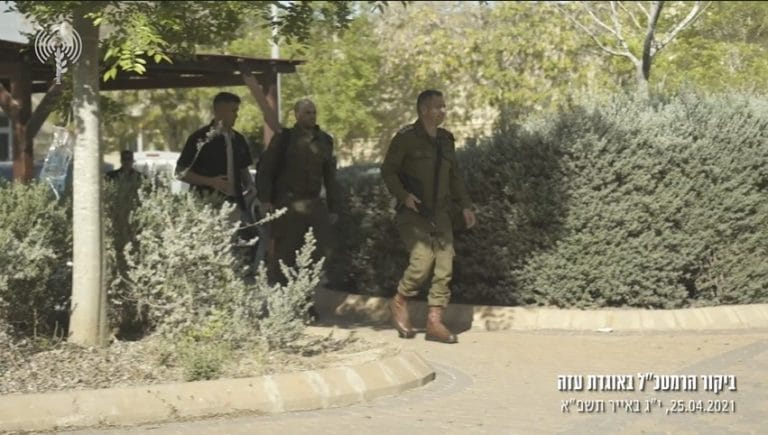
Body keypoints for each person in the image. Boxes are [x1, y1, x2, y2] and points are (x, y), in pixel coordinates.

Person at [380, 89, 477, 344]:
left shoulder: (446, 140)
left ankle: (434, 322)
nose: (443, 111)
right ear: (424, 110)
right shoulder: (406, 138)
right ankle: (400, 300)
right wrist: (404, 196)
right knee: (422, 261)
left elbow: (454, 176)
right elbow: (388, 171)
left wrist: (466, 206)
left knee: (445, 266)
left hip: (441, 213)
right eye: (438, 107)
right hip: (414, 213)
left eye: (444, 106)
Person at [255, 99, 341, 302]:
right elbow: (266, 170)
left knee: (315, 254)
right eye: (307, 112)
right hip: (288, 204)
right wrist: (265, 200)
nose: (311, 116)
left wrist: (334, 207)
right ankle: (281, 303)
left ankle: (305, 301)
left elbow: (330, 176)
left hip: (313, 204)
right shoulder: (284, 139)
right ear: (297, 115)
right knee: (284, 255)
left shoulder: (325, 140)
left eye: (313, 112)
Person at [175, 92, 257, 231]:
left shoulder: (238, 139)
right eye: (233, 110)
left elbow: (243, 169)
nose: (236, 115)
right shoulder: (200, 138)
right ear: (220, 111)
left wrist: (250, 186)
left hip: (235, 206)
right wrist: (210, 181)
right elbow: (180, 173)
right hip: (207, 206)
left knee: (236, 242)